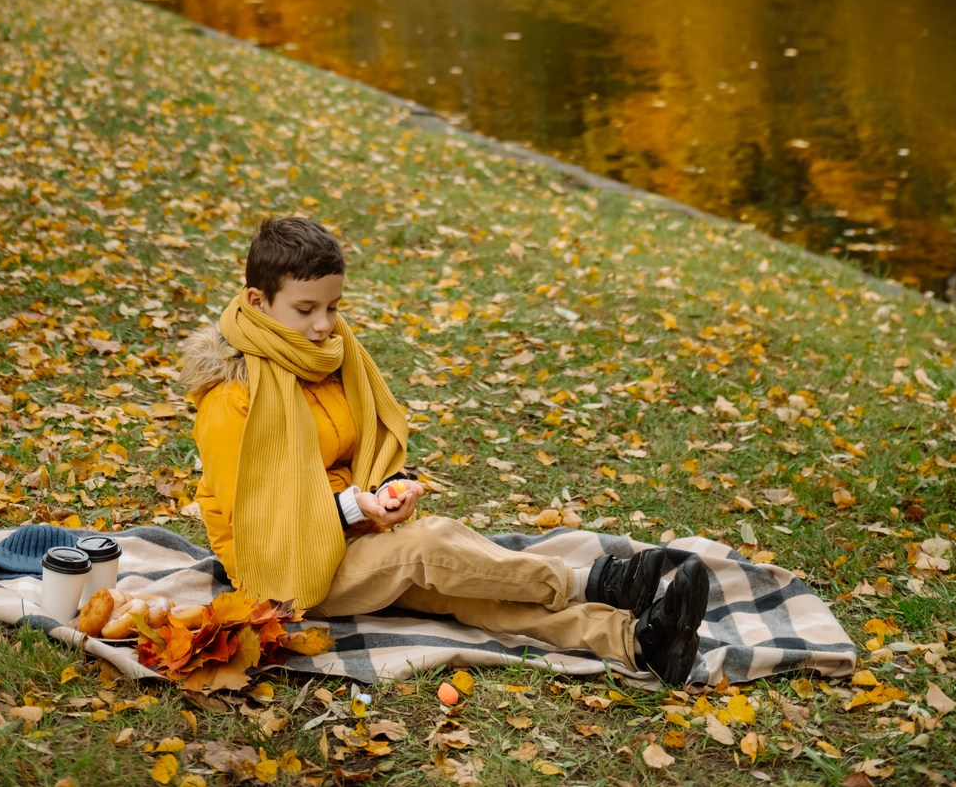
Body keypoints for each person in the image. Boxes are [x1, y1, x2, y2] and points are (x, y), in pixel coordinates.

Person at [180, 216, 708, 685]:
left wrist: (389, 487)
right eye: (305, 309)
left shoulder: (324, 356)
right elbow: (260, 516)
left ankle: (636, 642)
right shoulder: (235, 396)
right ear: (257, 301)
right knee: (429, 545)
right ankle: (596, 581)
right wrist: (351, 508)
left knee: (466, 590)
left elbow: (363, 450)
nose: (324, 324)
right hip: (283, 568)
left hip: (348, 532)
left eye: (333, 306)